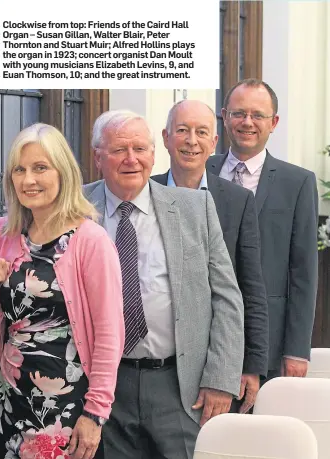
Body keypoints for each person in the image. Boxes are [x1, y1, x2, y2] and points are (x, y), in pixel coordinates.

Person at [83, 109, 244, 459]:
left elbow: (227, 298)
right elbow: (12, 233)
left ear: (154, 153)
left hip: (179, 385)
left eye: (140, 149)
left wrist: (220, 377)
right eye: (118, 150)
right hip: (103, 386)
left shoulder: (194, 206)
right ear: (97, 156)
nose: (131, 159)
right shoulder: (74, 208)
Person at [0, 123, 125, 459]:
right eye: (20, 169)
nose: (28, 180)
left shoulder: (90, 241)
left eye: (40, 168)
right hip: (9, 401)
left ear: (64, 174)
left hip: (67, 408)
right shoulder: (4, 233)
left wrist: (95, 414)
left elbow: (109, 335)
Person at [152, 99, 268, 413]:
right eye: (182, 131)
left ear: (214, 142)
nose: (192, 140)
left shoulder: (236, 201)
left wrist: (249, 365)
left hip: (215, 362)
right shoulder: (146, 195)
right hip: (156, 367)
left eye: (201, 132)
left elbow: (250, 288)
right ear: (165, 138)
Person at [207, 78, 319, 380]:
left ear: (274, 122)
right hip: (203, 338)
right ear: (224, 116)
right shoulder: (199, 172)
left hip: (269, 342)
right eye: (239, 113)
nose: (247, 122)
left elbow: (303, 272)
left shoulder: (297, 183)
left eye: (258, 115)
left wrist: (296, 350)